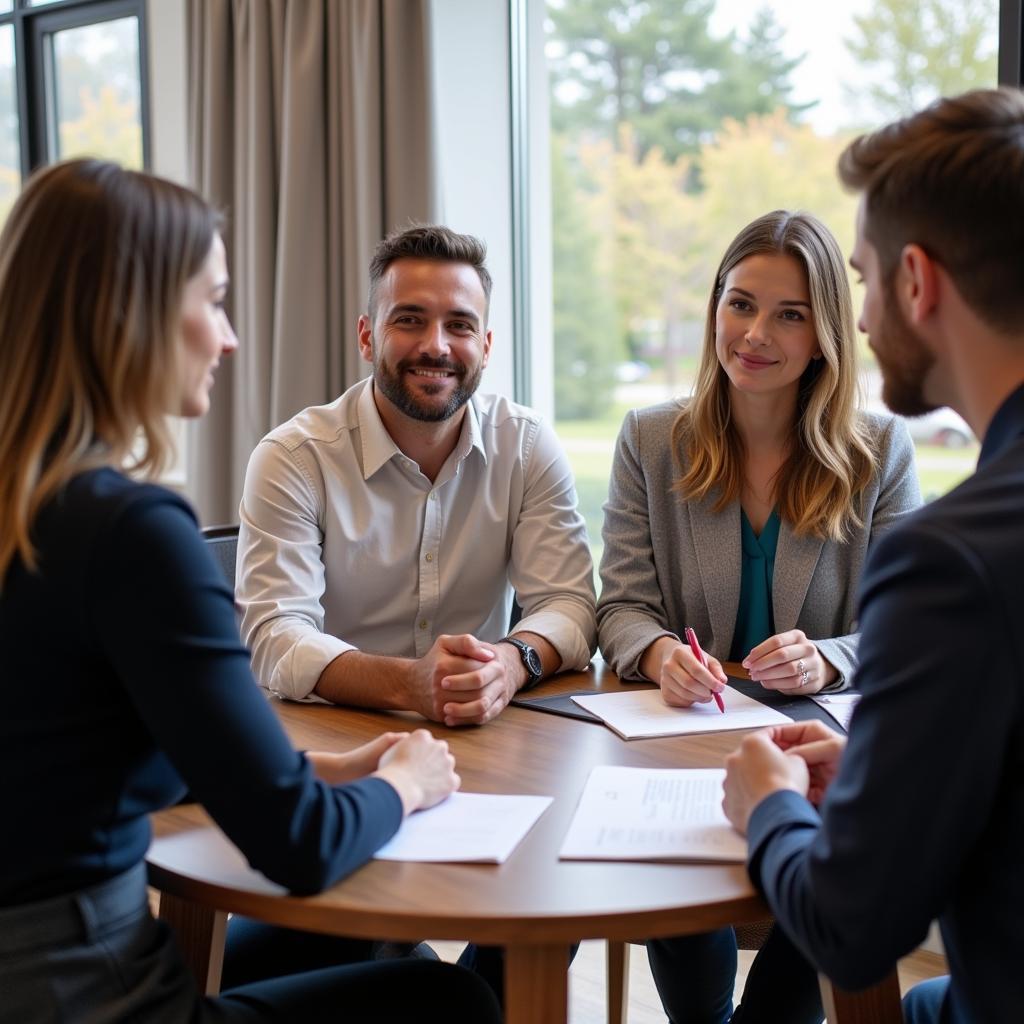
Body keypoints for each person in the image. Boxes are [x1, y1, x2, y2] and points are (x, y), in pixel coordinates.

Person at [0, 159, 501, 1024]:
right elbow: (298, 849)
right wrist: (406, 784)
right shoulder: (132, 533)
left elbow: (64, 757)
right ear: (134, 314)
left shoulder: (30, 507)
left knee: (364, 937)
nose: (228, 338)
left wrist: (323, 769)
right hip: (88, 991)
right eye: (213, 299)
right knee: (443, 998)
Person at [721, 87, 1024, 1024]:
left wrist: (769, 800)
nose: (857, 320)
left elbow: (853, 926)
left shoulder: (953, 559)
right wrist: (877, 761)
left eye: (859, 279)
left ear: (918, 282)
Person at [597, 210, 920, 1023]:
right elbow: (623, 602)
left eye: (789, 314)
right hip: (683, 738)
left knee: (839, 874)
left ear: (825, 336)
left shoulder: (880, 451)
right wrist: (658, 652)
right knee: (668, 862)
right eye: (739, 304)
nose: (754, 333)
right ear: (714, 309)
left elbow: (905, 628)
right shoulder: (652, 438)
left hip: (820, 748)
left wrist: (830, 659)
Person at [236, 224, 596, 728]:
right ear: (367, 336)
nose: (437, 346)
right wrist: (410, 683)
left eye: (460, 326)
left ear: (486, 346)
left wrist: (510, 666)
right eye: (410, 320)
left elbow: (569, 603)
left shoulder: (527, 445)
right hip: (333, 731)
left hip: (482, 728)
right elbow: (276, 635)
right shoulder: (293, 458)